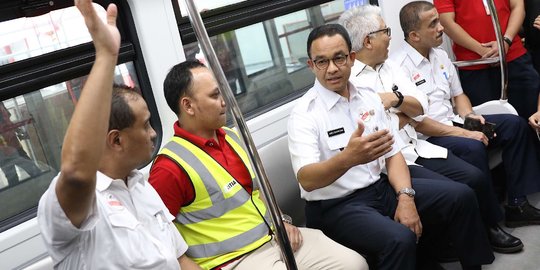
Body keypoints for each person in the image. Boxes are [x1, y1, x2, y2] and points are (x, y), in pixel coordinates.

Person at [288, 23, 493, 270]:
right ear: (311, 66)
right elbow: (307, 179)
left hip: (379, 188)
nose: (331, 69)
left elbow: (393, 153)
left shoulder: (368, 96)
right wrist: (348, 158)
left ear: (352, 58)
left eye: (339, 58)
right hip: (337, 206)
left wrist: (405, 197)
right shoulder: (305, 113)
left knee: (461, 196)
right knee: (400, 239)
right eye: (321, 62)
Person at [149, 60, 366, 270]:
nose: (224, 101)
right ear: (188, 105)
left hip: (273, 237)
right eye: (215, 95)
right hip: (234, 259)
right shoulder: (169, 167)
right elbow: (160, 239)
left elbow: (257, 191)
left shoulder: (233, 137)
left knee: (354, 264)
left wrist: (281, 220)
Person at [340, 3, 522, 254]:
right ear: (368, 41)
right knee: (465, 179)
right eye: (386, 31)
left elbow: (419, 106)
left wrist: (396, 101)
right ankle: (476, 237)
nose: (390, 36)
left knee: (483, 163)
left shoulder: (389, 67)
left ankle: (499, 218)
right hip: (396, 159)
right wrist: (405, 111)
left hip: (416, 145)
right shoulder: (353, 82)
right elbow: (388, 126)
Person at [37, 1, 200, 269]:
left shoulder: (141, 186)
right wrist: (105, 56)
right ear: (116, 140)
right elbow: (77, 171)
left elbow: (179, 259)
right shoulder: (79, 208)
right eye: (146, 125)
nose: (153, 134)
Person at [393, 0, 540, 231]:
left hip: (454, 121)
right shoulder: (398, 68)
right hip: (430, 135)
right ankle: (489, 224)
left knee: (515, 125)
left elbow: (458, 96)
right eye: (433, 24)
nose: (441, 27)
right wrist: (463, 132)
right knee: (473, 147)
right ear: (414, 35)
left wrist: (470, 116)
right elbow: (416, 123)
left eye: (438, 21)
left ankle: (516, 204)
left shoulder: (440, 55)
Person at [434, 0, 540, 125]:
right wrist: (482, 50)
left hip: (514, 55)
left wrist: (505, 41)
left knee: (532, 115)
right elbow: (446, 22)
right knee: (491, 123)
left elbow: (518, 7)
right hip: (474, 65)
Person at [0, 102, 41, 186]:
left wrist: (19, 132)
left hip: (15, 146)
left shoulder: (1, 103)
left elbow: (8, 121)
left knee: (34, 171)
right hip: (4, 151)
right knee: (13, 178)